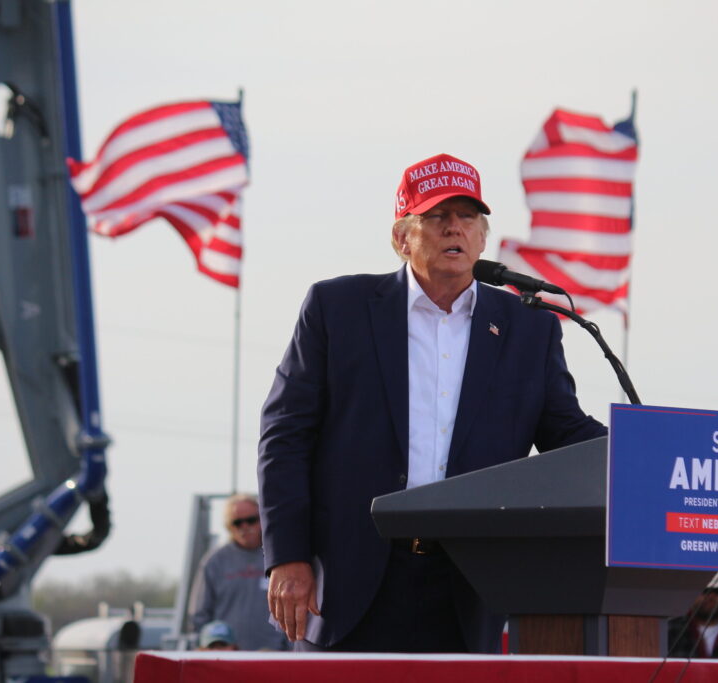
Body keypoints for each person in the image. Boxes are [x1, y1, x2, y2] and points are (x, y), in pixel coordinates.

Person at [258, 153, 607, 654]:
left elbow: (564, 432)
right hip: (351, 581)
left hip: (469, 583)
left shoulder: (528, 326)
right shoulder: (338, 310)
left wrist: (648, 449)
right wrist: (287, 556)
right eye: (437, 217)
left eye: (467, 217)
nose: (454, 229)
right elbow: (284, 436)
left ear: (484, 239)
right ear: (403, 238)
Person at [190, 493, 288, 651]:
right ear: (229, 527)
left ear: (262, 518)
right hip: (227, 659)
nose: (245, 527)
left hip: (274, 656)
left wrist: (287, 649)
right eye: (237, 523)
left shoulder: (282, 557)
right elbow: (200, 615)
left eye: (251, 520)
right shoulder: (214, 561)